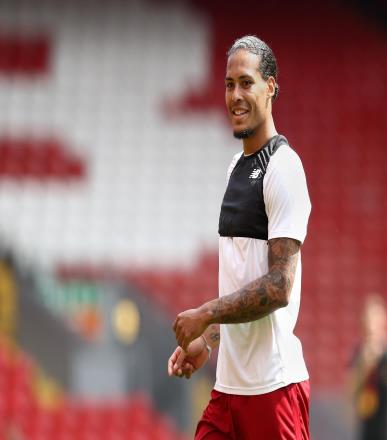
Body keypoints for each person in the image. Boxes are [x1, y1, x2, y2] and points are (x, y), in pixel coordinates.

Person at [167, 35, 312, 439]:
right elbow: (240, 277)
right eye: (229, 84)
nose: (235, 96)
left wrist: (206, 313)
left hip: (274, 390)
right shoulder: (236, 166)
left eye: (246, 83)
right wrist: (209, 339)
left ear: (271, 87)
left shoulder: (284, 169)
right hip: (228, 391)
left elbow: (279, 286)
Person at [349, 294, 387, 440]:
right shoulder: (359, 352)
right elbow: (350, 392)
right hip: (366, 431)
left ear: (383, 322)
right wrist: (365, 366)